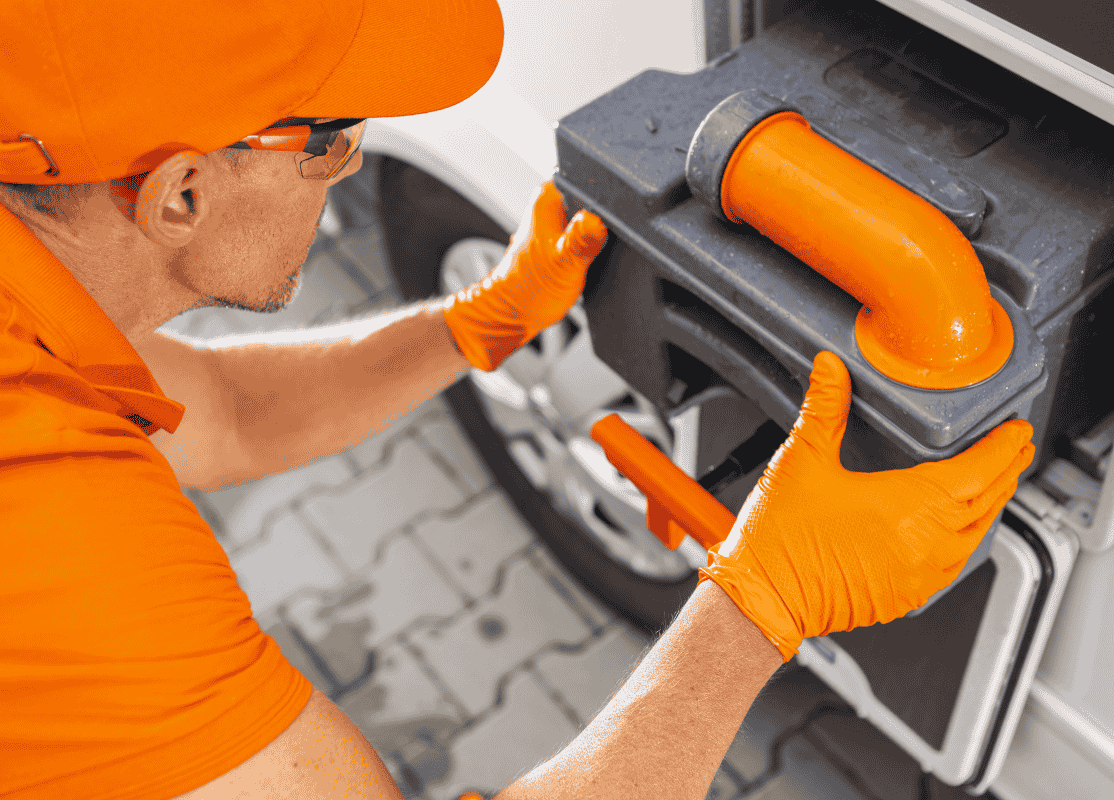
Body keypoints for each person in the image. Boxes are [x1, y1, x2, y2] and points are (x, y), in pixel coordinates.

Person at [0, 1, 1034, 798]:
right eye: (335, 135)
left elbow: (223, 413)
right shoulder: (57, 530)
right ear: (180, 192)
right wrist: (764, 602)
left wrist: (475, 321)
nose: (349, 163)